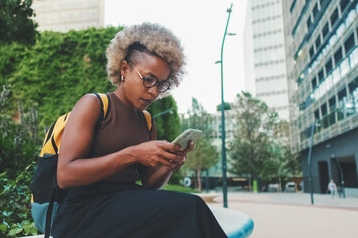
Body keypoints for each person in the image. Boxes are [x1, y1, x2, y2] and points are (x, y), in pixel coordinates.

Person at [51, 23, 227, 238]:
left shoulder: (147, 121)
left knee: (187, 211)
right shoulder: (94, 104)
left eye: (161, 84)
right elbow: (65, 175)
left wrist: (169, 165)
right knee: (191, 206)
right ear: (124, 69)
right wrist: (133, 154)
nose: (154, 91)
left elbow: (149, 186)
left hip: (126, 205)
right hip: (83, 213)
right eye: (148, 79)